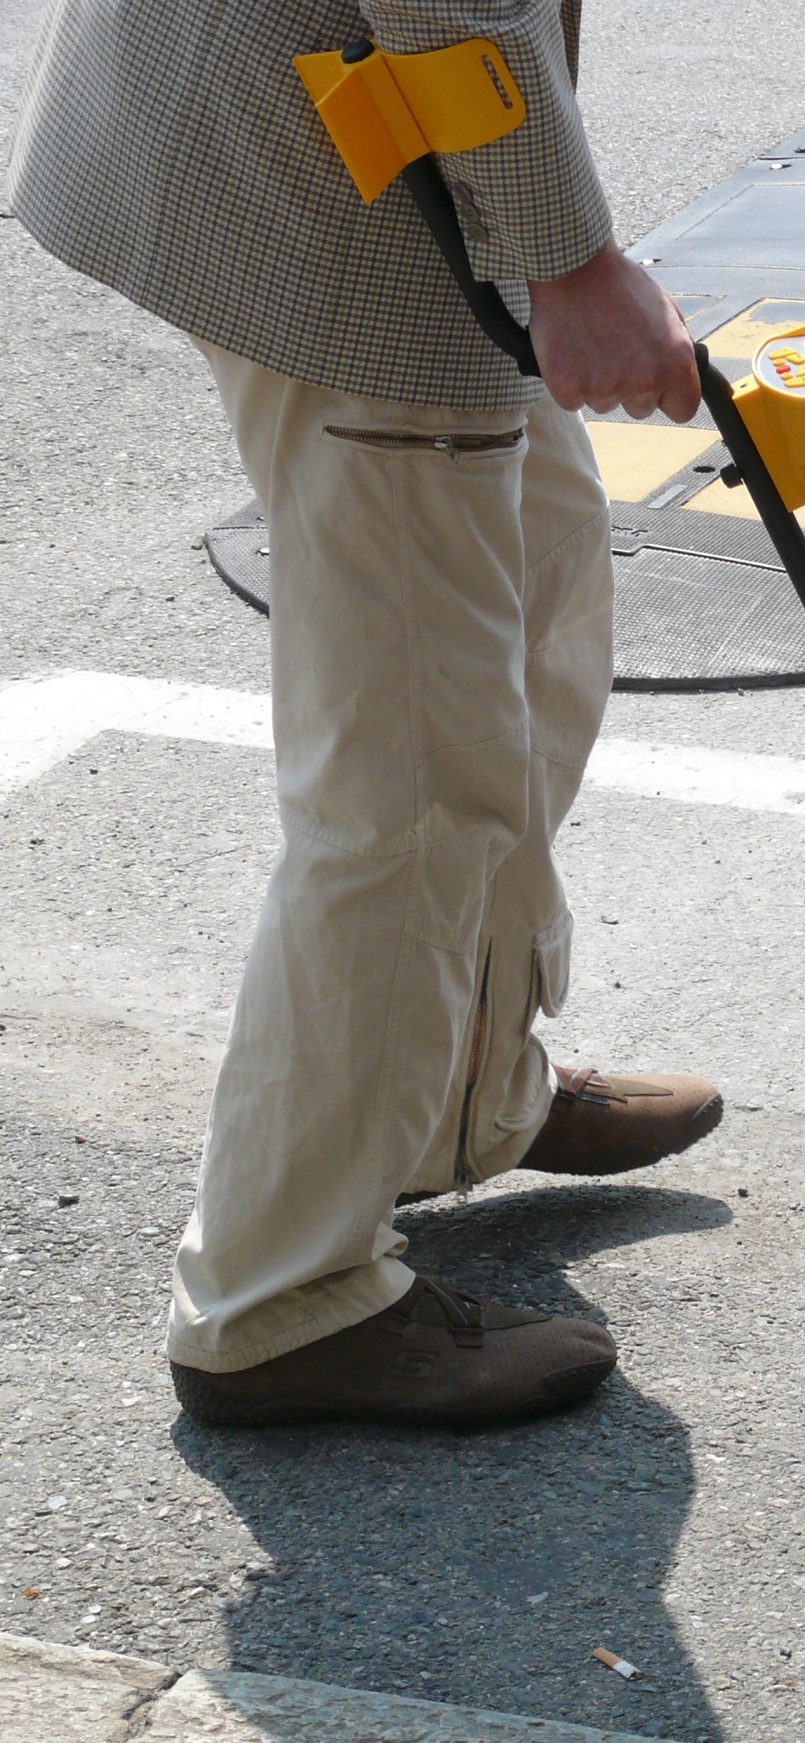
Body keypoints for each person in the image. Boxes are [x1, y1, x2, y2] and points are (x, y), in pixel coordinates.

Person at [7, 0, 720, 1427]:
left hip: (354, 121)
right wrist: (570, 261)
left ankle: (456, 1093)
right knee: (410, 783)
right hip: (344, 180)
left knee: (539, 572)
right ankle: (282, 1299)